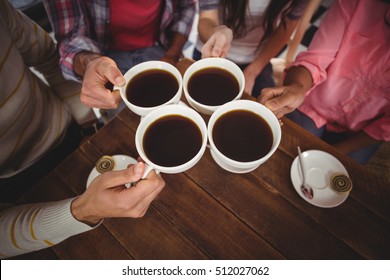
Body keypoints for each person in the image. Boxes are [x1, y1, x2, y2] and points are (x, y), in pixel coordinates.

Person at [0, 0, 165, 258]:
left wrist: (88, 125)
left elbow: (47, 57)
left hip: (72, 129)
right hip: (13, 189)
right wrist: (82, 212)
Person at [259, 0, 390, 164]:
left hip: (364, 132)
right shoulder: (357, 4)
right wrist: (296, 88)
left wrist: (338, 151)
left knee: (341, 177)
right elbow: (314, 60)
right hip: (313, 106)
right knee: (282, 154)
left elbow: (386, 127)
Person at [42, 0, 196, 117]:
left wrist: (172, 54)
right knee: (127, 119)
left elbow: (186, 7)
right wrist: (91, 63)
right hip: (104, 56)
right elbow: (70, 38)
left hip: (160, 47)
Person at [194, 0, 308, 97]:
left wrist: (252, 72)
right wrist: (217, 32)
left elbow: (287, 27)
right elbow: (207, 19)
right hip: (210, 51)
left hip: (258, 59)